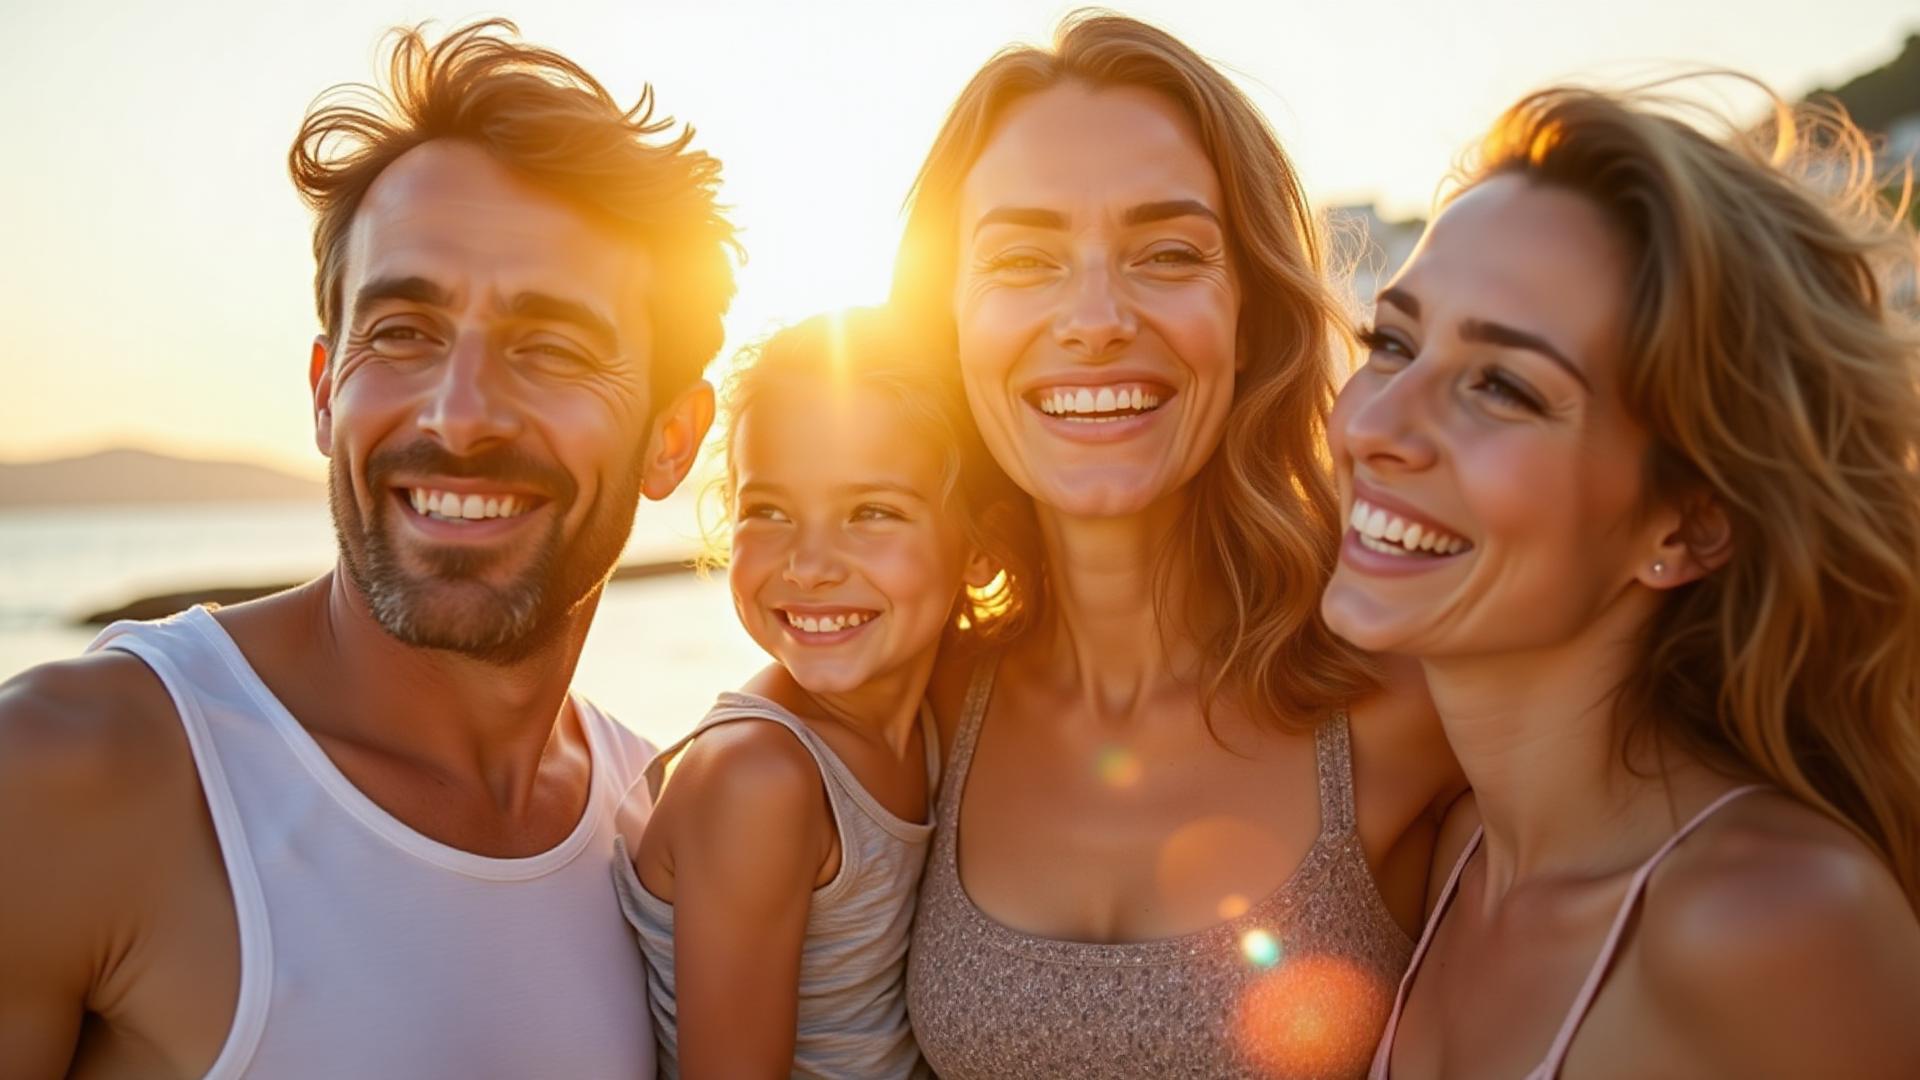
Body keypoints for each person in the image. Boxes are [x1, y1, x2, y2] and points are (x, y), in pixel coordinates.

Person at [0, 20, 735, 1077]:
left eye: (552, 348)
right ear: (322, 389)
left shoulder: (655, 835)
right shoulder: (79, 774)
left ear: (671, 438)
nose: (463, 413)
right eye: (402, 333)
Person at [893, 14, 1464, 1078]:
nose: (1096, 318)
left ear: (1248, 311)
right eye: (1023, 258)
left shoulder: (1411, 701)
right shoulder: (917, 702)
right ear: (949, 320)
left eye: (1168, 253)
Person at [1325, 82, 1920, 1078]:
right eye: (1392, 342)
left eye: (1503, 387)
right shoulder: (1454, 855)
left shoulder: (1775, 924)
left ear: (1691, 523)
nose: (1375, 425)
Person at [612, 308, 1022, 1077]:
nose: (809, 565)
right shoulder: (759, 780)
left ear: (979, 549)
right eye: (768, 511)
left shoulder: (944, 703)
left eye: (871, 513)